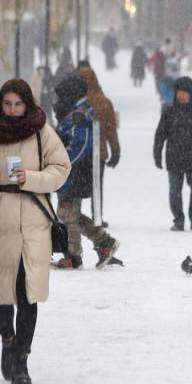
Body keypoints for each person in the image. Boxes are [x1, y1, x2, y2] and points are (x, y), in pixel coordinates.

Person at [0, 79, 71, 384]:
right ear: (0, 104)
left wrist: (30, 178)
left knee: (26, 290)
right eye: (7, 104)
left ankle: (22, 358)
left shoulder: (41, 130)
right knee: (0, 287)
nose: (13, 110)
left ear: (27, 104)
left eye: (18, 104)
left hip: (33, 216)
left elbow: (61, 168)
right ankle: (7, 340)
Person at [51, 74, 122, 269]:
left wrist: (61, 162)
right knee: (72, 214)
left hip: (74, 173)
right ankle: (104, 242)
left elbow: (80, 145)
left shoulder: (79, 115)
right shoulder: (78, 111)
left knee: (66, 213)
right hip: (75, 173)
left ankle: (73, 256)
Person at [153, 76, 192, 231]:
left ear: (191, 94)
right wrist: (157, 154)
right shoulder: (169, 112)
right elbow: (160, 134)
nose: (182, 95)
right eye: (179, 92)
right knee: (174, 192)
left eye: (185, 92)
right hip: (174, 158)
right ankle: (178, 220)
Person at [78, 64, 121, 226]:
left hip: (79, 152)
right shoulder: (105, 102)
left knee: (78, 187)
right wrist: (116, 151)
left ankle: (76, 215)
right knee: (97, 186)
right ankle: (97, 216)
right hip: (99, 152)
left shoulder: (77, 103)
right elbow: (111, 129)